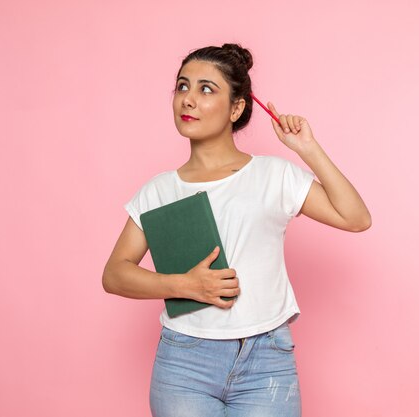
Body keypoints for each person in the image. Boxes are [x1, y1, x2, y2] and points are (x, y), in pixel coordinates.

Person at [102, 43, 371, 417]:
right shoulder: (159, 190)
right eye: (182, 87)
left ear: (237, 108)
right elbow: (115, 274)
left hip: (267, 362)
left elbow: (356, 218)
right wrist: (185, 285)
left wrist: (307, 149)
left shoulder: (273, 175)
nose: (188, 100)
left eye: (205, 89)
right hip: (184, 362)